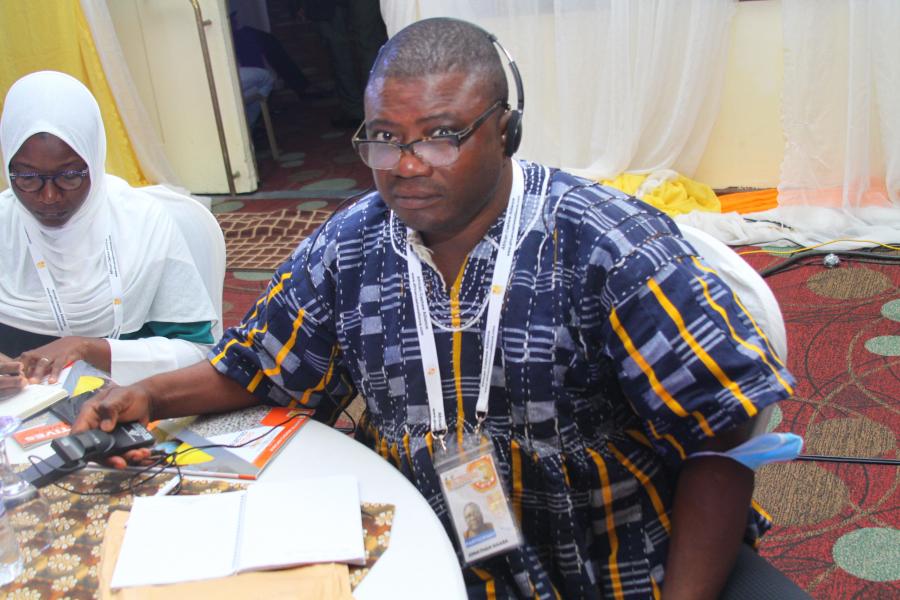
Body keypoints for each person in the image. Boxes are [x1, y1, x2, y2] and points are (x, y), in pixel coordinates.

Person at [75, 19, 799, 599]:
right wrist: (148, 394)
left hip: (606, 559)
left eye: (442, 134)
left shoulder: (611, 248)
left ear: (506, 130)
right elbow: (261, 363)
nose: (407, 164)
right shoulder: (350, 246)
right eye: (384, 137)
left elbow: (722, 438)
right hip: (430, 541)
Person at [0, 71, 219, 388]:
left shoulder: (142, 224)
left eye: (69, 176)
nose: (49, 196)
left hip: (130, 402)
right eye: (27, 178)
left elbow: (198, 352)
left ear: (94, 158)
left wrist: (90, 349)